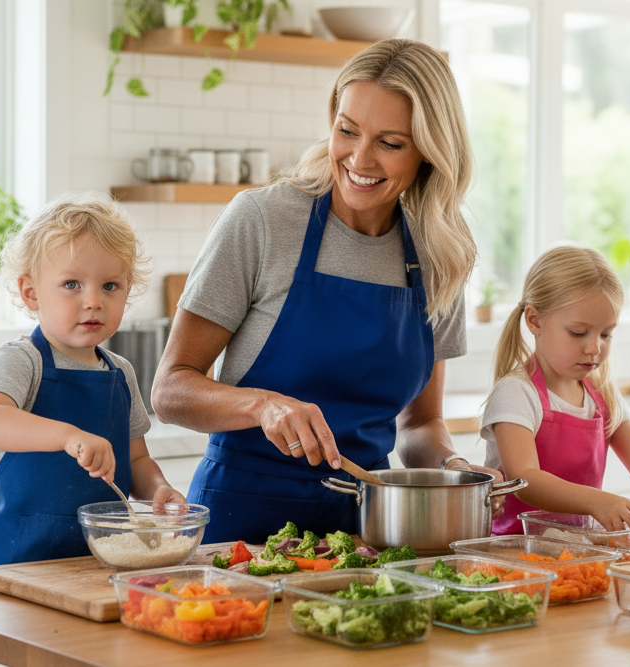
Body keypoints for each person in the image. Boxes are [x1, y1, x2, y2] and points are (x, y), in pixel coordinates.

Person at [152, 38, 494, 544]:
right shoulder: (264, 221)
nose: (360, 158)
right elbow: (170, 390)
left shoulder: (439, 254)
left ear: (429, 149)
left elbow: (420, 424)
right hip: (242, 527)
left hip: (367, 530)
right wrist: (262, 406)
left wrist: (452, 468)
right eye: (347, 130)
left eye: (390, 143)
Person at [0, 194, 187, 579]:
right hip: (15, 561)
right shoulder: (23, 359)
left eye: (110, 286)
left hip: (96, 562)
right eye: (72, 284)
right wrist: (67, 436)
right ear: (31, 292)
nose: (93, 302)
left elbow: (135, 461)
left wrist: (158, 491)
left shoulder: (121, 372)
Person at [482, 245, 630, 535]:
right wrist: (597, 501)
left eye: (606, 333)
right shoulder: (517, 393)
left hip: (579, 550)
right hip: (514, 551)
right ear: (535, 321)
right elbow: (526, 480)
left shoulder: (602, 395)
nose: (594, 347)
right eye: (578, 332)